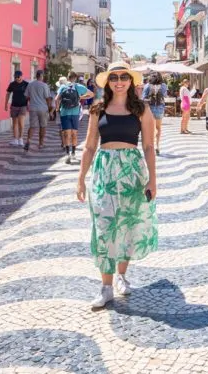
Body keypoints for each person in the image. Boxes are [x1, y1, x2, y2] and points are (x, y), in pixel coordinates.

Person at [76, 62, 158, 310]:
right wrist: (80, 178)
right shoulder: (98, 108)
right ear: (108, 82)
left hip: (132, 172)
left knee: (127, 224)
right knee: (104, 226)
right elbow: (90, 146)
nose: (119, 81)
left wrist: (152, 179)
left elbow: (149, 146)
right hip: (104, 172)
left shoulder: (141, 109)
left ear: (131, 81)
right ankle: (105, 287)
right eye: (114, 77)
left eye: (124, 77)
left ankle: (121, 277)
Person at [56, 71, 90, 164]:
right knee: (74, 133)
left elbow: (56, 99)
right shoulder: (78, 86)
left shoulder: (63, 86)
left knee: (67, 133)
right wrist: (80, 97)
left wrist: (57, 109)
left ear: (67, 78)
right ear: (75, 78)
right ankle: (74, 153)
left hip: (64, 113)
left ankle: (67, 154)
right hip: (75, 113)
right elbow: (91, 94)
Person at [24, 70, 54, 152]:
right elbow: (48, 98)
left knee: (32, 126)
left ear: (36, 76)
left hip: (33, 108)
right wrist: (49, 108)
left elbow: (26, 97)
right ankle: (41, 144)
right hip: (43, 108)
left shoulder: (30, 85)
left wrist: (32, 100)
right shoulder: (44, 85)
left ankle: (28, 141)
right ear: (41, 76)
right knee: (43, 126)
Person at [142, 71, 167, 154]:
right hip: (160, 108)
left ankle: (150, 145)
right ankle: (157, 146)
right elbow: (165, 95)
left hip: (150, 108)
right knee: (158, 128)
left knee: (150, 128)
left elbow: (144, 98)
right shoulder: (163, 85)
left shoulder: (147, 86)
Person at [4, 70, 29, 146]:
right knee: (14, 123)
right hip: (14, 106)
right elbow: (8, 94)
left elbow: (29, 95)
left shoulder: (26, 84)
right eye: (16, 77)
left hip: (23, 106)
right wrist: (5, 104)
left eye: (18, 77)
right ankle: (15, 139)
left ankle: (20, 138)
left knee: (21, 123)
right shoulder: (12, 84)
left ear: (21, 76)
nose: (17, 78)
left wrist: (29, 104)